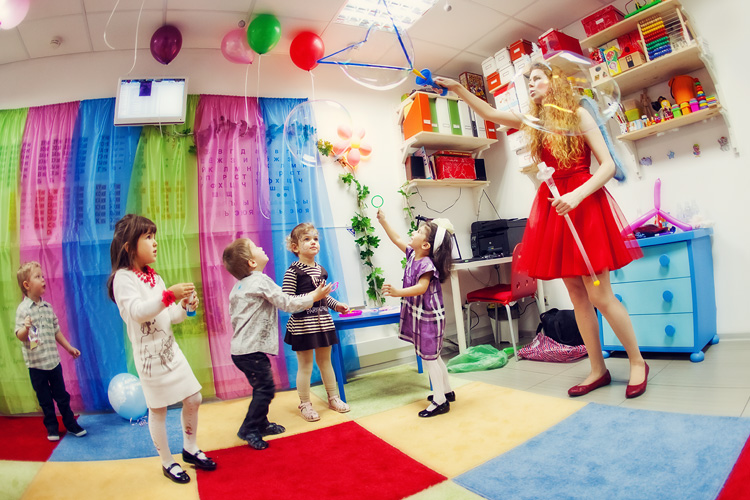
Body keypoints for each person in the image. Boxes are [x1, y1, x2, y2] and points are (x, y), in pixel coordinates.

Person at [434, 64, 649, 399]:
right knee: (578, 296)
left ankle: (637, 362)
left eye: (537, 78)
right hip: (555, 208)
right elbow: (490, 113)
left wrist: (577, 195)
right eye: (528, 80)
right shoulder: (533, 122)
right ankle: (598, 369)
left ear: (555, 82)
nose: (531, 84)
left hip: (583, 205)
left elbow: (608, 165)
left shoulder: (578, 114)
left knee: (600, 295)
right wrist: (459, 90)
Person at [107, 214, 216, 484]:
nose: (155, 242)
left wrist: (186, 306)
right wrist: (169, 296)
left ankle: (190, 448)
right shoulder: (122, 279)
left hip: (171, 353)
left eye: (154, 237)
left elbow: (170, 317)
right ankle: (167, 462)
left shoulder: (155, 278)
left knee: (194, 398)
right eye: (148, 237)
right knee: (158, 410)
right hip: (150, 360)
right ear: (129, 247)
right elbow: (137, 312)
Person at [222, 238, 333, 450]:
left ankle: (261, 423)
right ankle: (249, 429)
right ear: (251, 262)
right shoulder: (260, 281)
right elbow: (288, 303)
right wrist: (314, 295)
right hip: (251, 350)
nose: (261, 247)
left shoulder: (238, 287)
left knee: (261, 388)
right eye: (255, 247)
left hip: (240, 350)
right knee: (265, 389)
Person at [376, 211, 455, 417]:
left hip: (430, 318)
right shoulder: (413, 254)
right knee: (434, 357)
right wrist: (384, 221)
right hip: (423, 316)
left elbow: (421, 287)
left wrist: (398, 292)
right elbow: (396, 238)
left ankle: (440, 401)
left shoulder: (426, 264)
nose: (413, 232)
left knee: (430, 359)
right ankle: (447, 391)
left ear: (426, 245)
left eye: (419, 232)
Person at [282, 223, 351, 422]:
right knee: (305, 366)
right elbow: (288, 302)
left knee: (325, 362)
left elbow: (323, 297)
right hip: (303, 327)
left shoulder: (321, 270)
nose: (313, 242)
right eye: (307, 239)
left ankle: (333, 397)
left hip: (323, 324)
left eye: (315, 239)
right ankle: (305, 404)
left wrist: (336, 305)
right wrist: (313, 296)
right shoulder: (293, 272)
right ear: (295, 247)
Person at [14, 261, 87, 441]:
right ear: (27, 285)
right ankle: (52, 427)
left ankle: (70, 423)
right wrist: (25, 328)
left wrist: (69, 348)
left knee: (62, 396)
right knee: (45, 400)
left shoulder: (48, 308)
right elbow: (20, 336)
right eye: (38, 277)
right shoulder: (23, 310)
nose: (43, 279)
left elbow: (56, 332)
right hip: (36, 366)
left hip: (53, 362)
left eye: (43, 276)